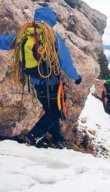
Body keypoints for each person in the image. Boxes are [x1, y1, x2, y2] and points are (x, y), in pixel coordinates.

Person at [0, 6, 82, 149]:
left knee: (50, 110)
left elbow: (5, 42)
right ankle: (33, 136)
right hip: (52, 83)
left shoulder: (25, 33)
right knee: (55, 112)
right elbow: (65, 60)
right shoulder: (52, 35)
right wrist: (76, 77)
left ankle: (58, 138)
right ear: (51, 19)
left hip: (36, 83)